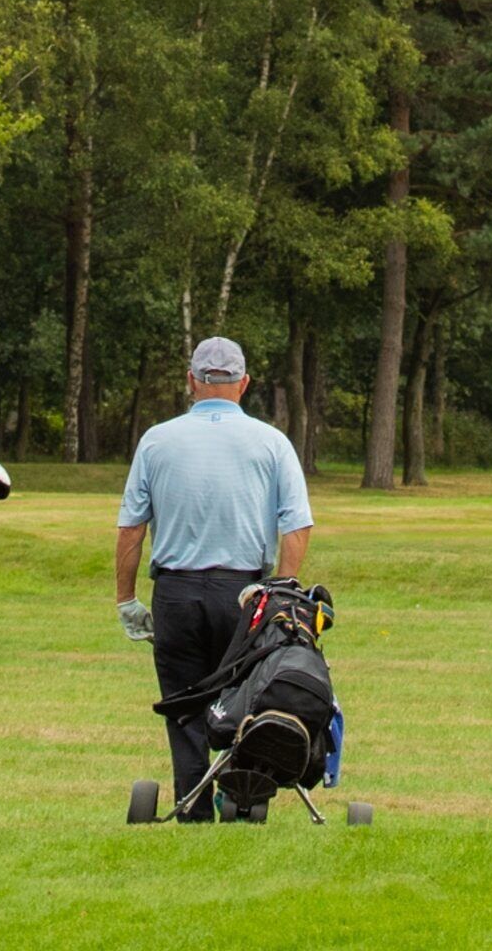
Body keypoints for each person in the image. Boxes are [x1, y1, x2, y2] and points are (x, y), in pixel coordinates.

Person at [114, 334, 314, 822]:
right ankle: (244, 800)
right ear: (244, 383)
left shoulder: (157, 440)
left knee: (184, 702)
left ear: (191, 381)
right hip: (245, 594)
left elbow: (132, 528)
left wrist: (126, 599)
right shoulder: (272, 442)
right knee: (247, 695)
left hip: (176, 592)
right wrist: (281, 591)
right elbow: (297, 525)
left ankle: (193, 806)